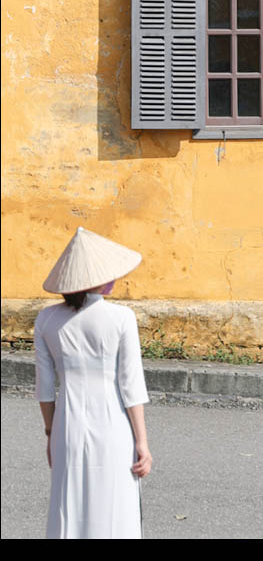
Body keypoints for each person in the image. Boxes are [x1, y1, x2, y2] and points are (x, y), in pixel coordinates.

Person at [34, 226, 152, 539]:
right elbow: (131, 385)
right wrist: (142, 442)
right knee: (115, 507)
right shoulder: (122, 318)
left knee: (68, 504)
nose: (115, 277)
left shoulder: (46, 320)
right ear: (93, 279)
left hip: (67, 426)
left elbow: (45, 389)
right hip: (114, 425)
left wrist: (50, 433)